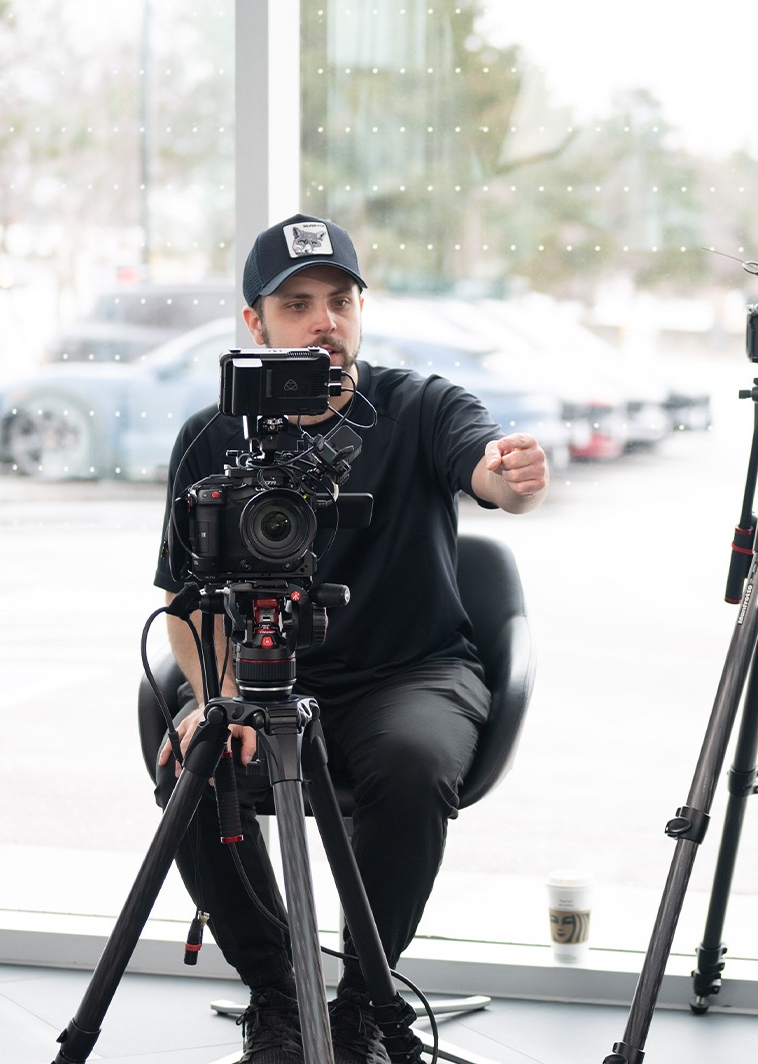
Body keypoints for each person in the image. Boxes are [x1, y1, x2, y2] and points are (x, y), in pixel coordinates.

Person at [152, 213, 548, 1064]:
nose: (323, 322)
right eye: (296, 306)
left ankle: (363, 1003)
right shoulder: (212, 436)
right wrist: (220, 700)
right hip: (257, 672)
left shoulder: (417, 406)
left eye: (339, 301)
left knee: (411, 764)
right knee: (192, 761)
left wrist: (510, 477)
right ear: (254, 324)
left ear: (362, 309)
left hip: (412, 672)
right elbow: (190, 604)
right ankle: (280, 997)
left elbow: (487, 469)